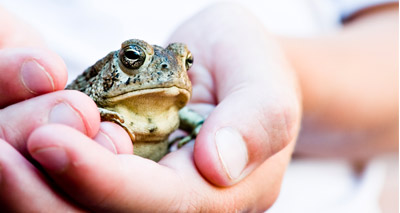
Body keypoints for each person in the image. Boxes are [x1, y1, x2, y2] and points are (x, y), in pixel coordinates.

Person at [0, 1, 397, 212]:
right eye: (136, 58)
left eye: (185, 64)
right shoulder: (88, 97)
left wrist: (272, 80)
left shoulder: (185, 114)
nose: (173, 71)